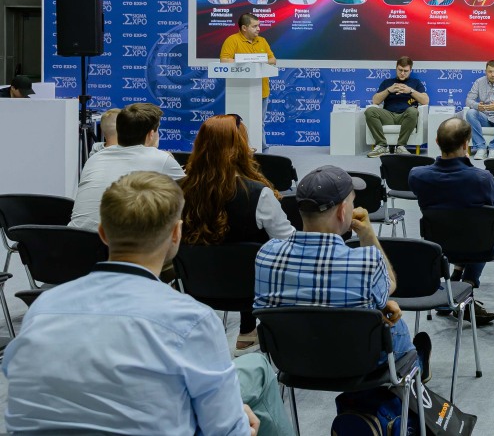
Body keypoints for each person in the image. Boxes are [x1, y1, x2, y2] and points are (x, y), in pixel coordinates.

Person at [3, 171, 294, 436]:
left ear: (102, 233)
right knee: (254, 373)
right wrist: (238, 422)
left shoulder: (43, 307)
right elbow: (226, 432)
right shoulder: (191, 320)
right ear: (176, 234)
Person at [255, 165, 430, 382]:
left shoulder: (266, 255)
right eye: (352, 202)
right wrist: (367, 235)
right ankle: (417, 364)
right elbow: (390, 285)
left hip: (293, 360)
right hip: (358, 363)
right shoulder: (366, 261)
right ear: (342, 211)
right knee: (393, 321)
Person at [181, 115, 295, 354]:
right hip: (252, 290)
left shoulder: (178, 190)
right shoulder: (258, 194)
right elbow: (289, 242)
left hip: (197, 287)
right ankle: (248, 332)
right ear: (241, 147)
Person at [407, 117, 494, 324]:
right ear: (466, 144)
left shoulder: (417, 175)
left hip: (438, 244)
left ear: (437, 142)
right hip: (477, 246)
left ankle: (454, 281)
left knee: (461, 226)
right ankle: (467, 287)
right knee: (485, 229)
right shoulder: (482, 178)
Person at [70, 103, 185, 231]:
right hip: (119, 241)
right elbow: (192, 196)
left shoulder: (95, 158)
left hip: (73, 239)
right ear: (151, 134)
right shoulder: (162, 159)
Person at [219, 13, 277, 150]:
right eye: (254, 26)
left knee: (259, 123)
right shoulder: (232, 40)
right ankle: (238, 151)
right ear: (244, 28)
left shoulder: (262, 41)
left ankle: (262, 151)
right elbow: (224, 60)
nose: (258, 29)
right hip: (240, 92)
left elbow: (273, 60)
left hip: (262, 90)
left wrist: (258, 60)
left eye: (258, 26)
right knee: (238, 124)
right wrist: (246, 62)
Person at [366, 56, 429, 157]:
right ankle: (382, 145)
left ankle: (400, 146)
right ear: (396, 68)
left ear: (410, 70)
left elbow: (425, 100)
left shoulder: (416, 83)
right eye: (400, 70)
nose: (402, 73)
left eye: (405, 71)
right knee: (370, 111)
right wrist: (389, 90)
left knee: (413, 111)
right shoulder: (387, 82)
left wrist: (410, 91)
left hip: (406, 117)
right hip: (388, 115)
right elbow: (375, 101)